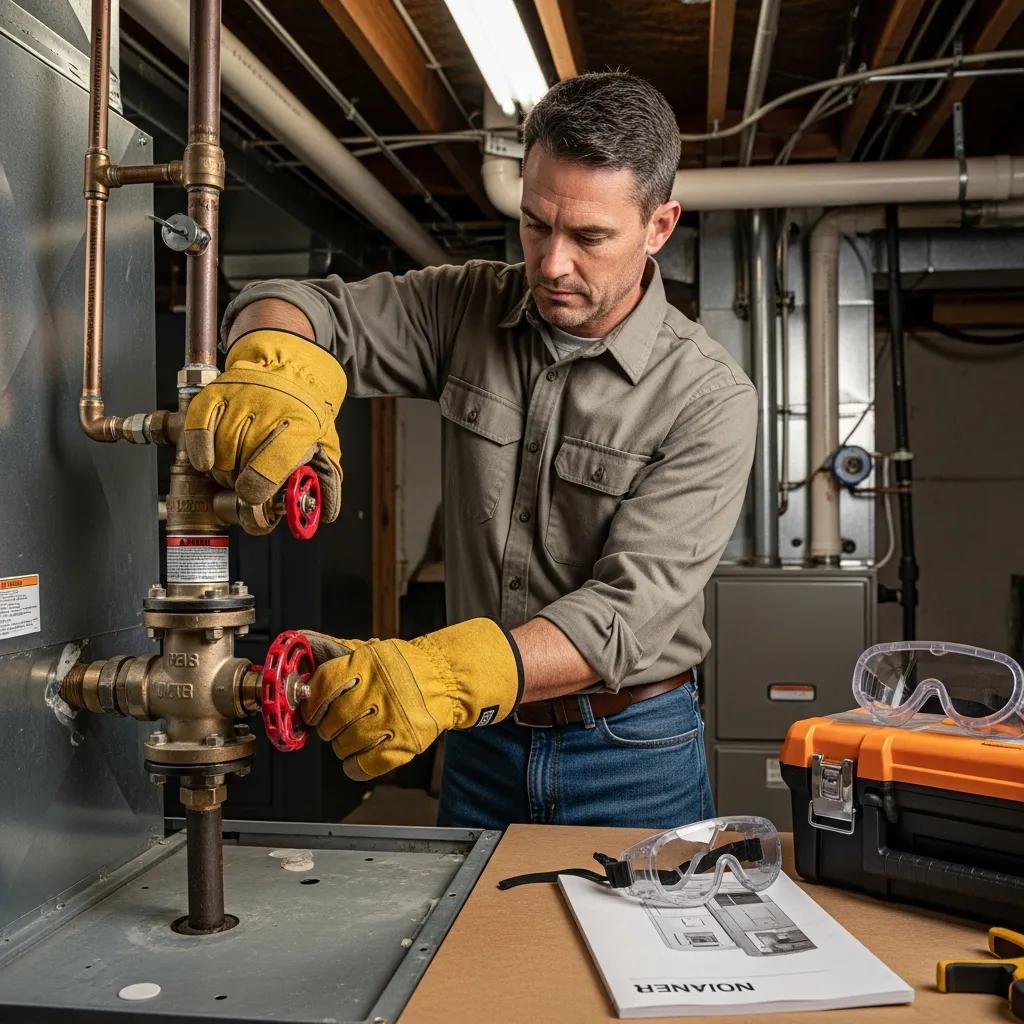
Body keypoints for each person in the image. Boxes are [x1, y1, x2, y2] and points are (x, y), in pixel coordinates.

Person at [184, 72, 757, 830]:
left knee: (648, 949)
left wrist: (438, 675)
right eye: (534, 224)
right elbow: (308, 304)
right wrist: (273, 364)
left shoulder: (709, 398)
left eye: (589, 237)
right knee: (470, 948)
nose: (552, 264)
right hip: (482, 742)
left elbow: (629, 613)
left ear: (658, 226)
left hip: (632, 749)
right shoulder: (464, 305)